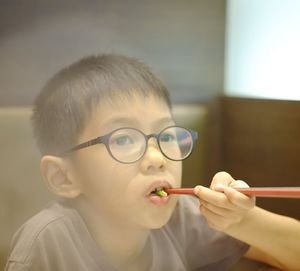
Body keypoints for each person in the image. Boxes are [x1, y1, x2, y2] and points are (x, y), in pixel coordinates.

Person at [5, 54, 300, 271]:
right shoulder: (47, 243)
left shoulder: (181, 218)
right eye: (122, 139)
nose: (157, 159)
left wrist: (241, 219)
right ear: (64, 177)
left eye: (166, 135)